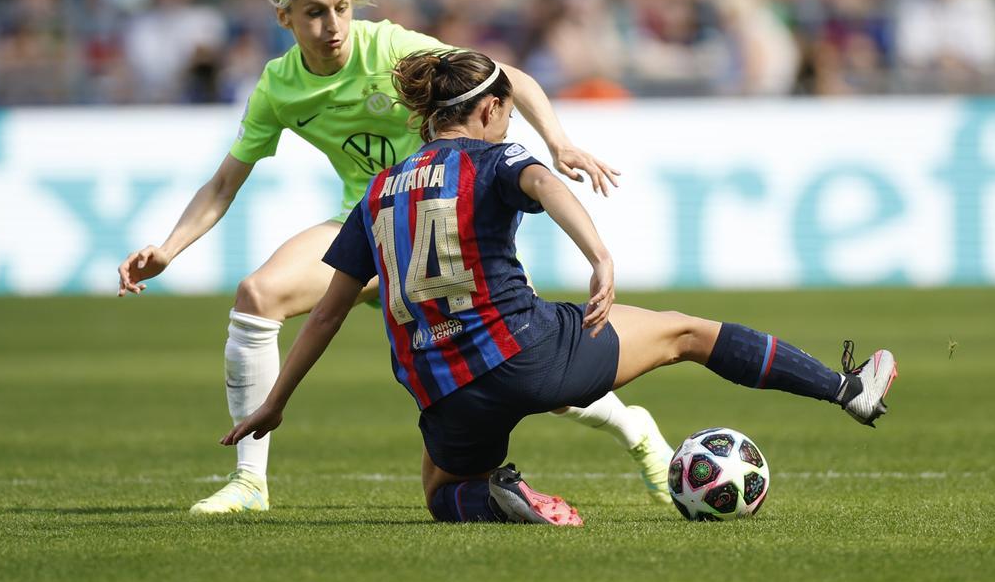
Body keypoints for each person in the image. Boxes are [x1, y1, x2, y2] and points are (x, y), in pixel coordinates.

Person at [118, 0, 674, 514]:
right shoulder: (278, 87)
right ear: (284, 17)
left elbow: (508, 80)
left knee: (531, 375)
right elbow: (223, 183)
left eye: (341, 8)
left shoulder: (390, 49)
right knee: (257, 294)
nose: (333, 24)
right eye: (314, 13)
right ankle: (249, 482)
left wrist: (558, 144)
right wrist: (170, 250)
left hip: (438, 235)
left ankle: (636, 432)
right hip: (368, 226)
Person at [224, 48, 899, 526]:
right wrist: (599, 254)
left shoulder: (378, 191)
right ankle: (848, 390)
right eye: (508, 112)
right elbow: (543, 179)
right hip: (527, 353)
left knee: (441, 490)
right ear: (488, 109)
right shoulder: (496, 154)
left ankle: (496, 497)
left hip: (442, 387)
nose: (510, 123)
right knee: (685, 333)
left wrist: (275, 402)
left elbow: (324, 317)